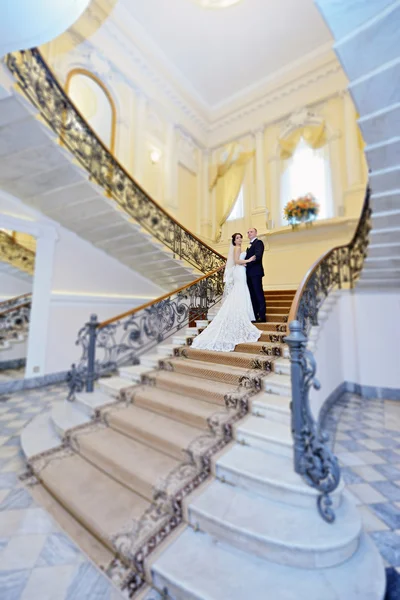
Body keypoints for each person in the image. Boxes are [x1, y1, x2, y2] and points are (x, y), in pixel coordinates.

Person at [191, 233, 261, 352]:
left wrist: (244, 262)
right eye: (237, 238)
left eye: (240, 237)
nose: (240, 239)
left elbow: (237, 261)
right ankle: (242, 312)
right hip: (239, 271)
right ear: (234, 240)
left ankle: (244, 312)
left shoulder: (238, 248)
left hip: (241, 270)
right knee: (241, 288)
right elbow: (236, 261)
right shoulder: (237, 248)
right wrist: (248, 260)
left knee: (241, 289)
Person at [245, 228, 266, 322]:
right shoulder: (249, 246)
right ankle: (255, 314)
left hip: (256, 273)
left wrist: (247, 262)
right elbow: (249, 258)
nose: (249, 233)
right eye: (248, 232)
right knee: (252, 295)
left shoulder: (259, 243)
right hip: (248, 274)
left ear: (256, 233)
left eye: (251, 232)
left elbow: (257, 256)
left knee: (258, 293)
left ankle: (262, 315)